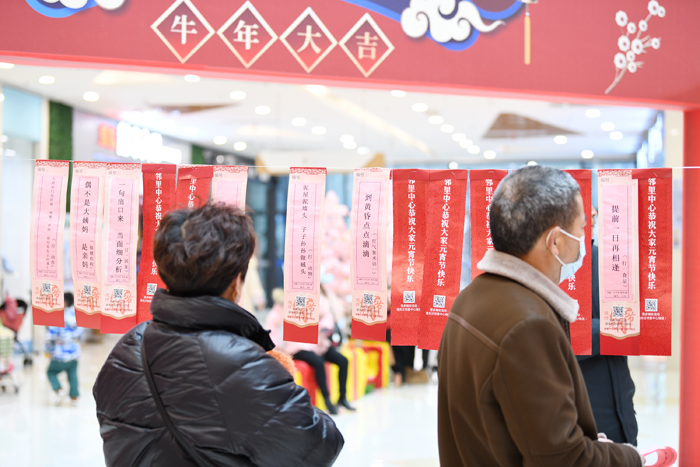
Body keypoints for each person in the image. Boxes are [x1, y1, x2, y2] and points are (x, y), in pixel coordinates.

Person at [93, 204, 343, 467]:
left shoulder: (128, 346)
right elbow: (321, 446)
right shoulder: (243, 363)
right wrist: (280, 379)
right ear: (235, 283)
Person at [438, 166, 643, 466]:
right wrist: (630, 457)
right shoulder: (528, 325)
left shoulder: (470, 298)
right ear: (555, 241)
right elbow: (564, 459)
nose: (585, 239)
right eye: (582, 228)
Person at [577, 206, 638, 444]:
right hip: (579, 418)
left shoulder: (610, 263)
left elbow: (634, 321)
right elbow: (556, 335)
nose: (592, 216)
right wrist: (612, 329)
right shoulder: (548, 270)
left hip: (621, 411)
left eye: (594, 213)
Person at [266, 286, 355, 415]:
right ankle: (327, 399)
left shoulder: (317, 297)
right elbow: (272, 323)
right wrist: (277, 346)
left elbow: (327, 316)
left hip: (319, 343)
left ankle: (342, 398)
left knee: (343, 361)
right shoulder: (286, 299)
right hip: (297, 346)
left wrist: (323, 330)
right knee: (318, 363)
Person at [46, 292, 83, 406]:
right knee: (72, 375)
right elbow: (80, 333)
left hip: (59, 353)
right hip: (74, 352)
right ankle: (74, 397)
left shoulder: (57, 316)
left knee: (50, 372)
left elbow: (51, 336)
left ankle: (59, 389)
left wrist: (48, 350)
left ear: (64, 302)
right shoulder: (77, 315)